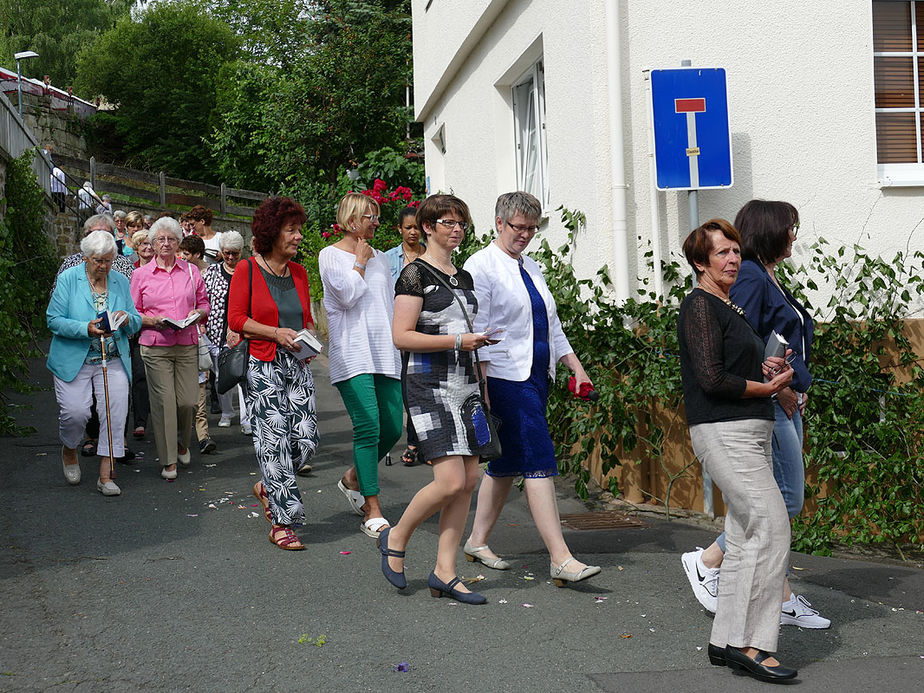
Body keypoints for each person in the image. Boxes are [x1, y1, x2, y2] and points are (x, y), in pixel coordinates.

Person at [681, 200, 828, 629]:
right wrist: (773, 388)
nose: (794, 237)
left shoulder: (763, 274)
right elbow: (740, 340)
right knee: (779, 502)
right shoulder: (744, 278)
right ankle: (712, 563)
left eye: (734, 251)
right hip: (763, 405)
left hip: (778, 398)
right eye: (789, 228)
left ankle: (770, 598)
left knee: (777, 505)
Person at [677, 218, 797, 683]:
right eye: (721, 253)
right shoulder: (699, 305)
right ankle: (755, 644)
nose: (731, 259)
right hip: (724, 431)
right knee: (771, 527)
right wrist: (764, 386)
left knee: (748, 537)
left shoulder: (728, 307)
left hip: (747, 430)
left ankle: (728, 641)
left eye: (735, 252)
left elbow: (730, 366)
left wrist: (768, 367)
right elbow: (711, 378)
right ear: (699, 262)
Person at [462, 191, 601, 586]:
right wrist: (483, 386)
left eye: (532, 229)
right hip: (505, 377)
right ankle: (560, 557)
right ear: (499, 223)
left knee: (505, 463)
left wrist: (575, 367)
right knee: (539, 456)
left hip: (536, 375)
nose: (525, 234)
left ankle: (476, 540)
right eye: (518, 227)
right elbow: (480, 330)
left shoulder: (532, 266)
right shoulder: (481, 265)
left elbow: (551, 326)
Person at [379, 194, 494, 604]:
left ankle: (445, 571)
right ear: (427, 227)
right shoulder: (413, 275)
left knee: (468, 481)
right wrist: (459, 339)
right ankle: (397, 536)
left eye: (461, 222)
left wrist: (477, 363)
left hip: (464, 383)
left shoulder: (463, 277)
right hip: (428, 385)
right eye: (447, 222)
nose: (456, 229)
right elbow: (402, 336)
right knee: (448, 481)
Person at [227, 197, 320, 551]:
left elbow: (305, 317)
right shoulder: (247, 270)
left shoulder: (298, 272)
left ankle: (269, 484)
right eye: (291, 230)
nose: (298, 237)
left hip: (297, 363)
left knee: (307, 440)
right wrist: (274, 332)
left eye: (299, 230)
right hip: (262, 362)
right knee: (275, 441)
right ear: (272, 233)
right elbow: (236, 319)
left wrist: (308, 338)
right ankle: (282, 523)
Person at [319, 193, 402, 539]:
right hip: (353, 354)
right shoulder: (330, 255)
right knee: (368, 427)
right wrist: (360, 262)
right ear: (353, 221)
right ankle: (372, 506)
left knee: (394, 428)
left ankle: (353, 476)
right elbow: (346, 297)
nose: (377, 222)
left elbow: (387, 305)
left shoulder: (382, 258)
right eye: (372, 216)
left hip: (385, 353)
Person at [47, 230, 142, 496]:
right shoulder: (68, 279)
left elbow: (135, 318)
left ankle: (105, 474)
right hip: (74, 359)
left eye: (108, 260)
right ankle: (69, 448)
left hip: (112, 358)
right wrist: (85, 328)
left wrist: (126, 319)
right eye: (98, 260)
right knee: (75, 414)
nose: (104, 266)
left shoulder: (121, 281)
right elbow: (53, 320)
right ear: (86, 257)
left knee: (115, 413)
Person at [130, 217, 210, 480]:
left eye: (171, 239)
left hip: (186, 342)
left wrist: (197, 314)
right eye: (161, 239)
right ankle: (168, 461)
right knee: (164, 403)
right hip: (155, 346)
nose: (166, 243)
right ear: (152, 243)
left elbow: (204, 304)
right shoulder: (140, 275)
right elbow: (133, 313)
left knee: (187, 401)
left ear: (178, 243)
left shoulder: (191, 271)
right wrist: (154, 321)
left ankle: (182, 443)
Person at [384, 206, 425, 466]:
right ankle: (409, 441)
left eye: (417, 227)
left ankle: (416, 443)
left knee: (420, 391)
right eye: (408, 227)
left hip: (424, 333)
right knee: (403, 391)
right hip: (396, 333)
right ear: (399, 228)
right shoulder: (387, 260)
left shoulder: (429, 256)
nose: (413, 232)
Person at [202, 231, 251, 434]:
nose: (231, 257)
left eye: (235, 253)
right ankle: (227, 412)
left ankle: (246, 418)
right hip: (216, 332)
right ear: (221, 252)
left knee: (243, 376)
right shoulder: (212, 272)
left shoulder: (249, 271)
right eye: (227, 253)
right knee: (221, 377)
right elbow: (203, 299)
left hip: (242, 332)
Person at [179, 235, 217, 455]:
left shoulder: (197, 276)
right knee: (184, 401)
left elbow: (205, 304)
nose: (183, 257)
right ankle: (181, 439)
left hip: (196, 337)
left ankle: (203, 437)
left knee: (201, 389)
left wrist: (201, 318)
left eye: (186, 252)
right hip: (174, 343)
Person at [128, 229, 153, 438]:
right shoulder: (130, 270)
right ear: (136, 248)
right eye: (143, 244)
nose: (148, 248)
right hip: (136, 331)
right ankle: (140, 421)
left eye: (149, 243)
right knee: (139, 375)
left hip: (158, 330)